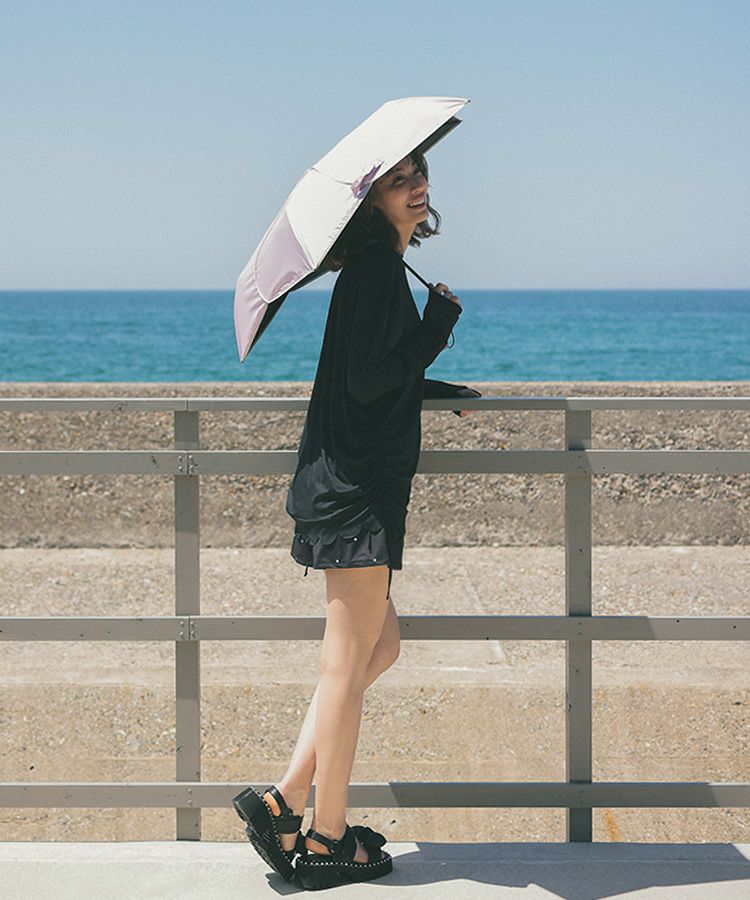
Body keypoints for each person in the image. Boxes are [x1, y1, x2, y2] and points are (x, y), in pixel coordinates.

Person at [232, 148, 480, 890]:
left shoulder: (376, 268)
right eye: (397, 180)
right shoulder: (376, 270)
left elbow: (367, 375)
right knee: (345, 668)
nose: (416, 186)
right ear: (370, 201)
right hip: (357, 494)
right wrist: (437, 325)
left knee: (381, 647)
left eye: (419, 172)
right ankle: (326, 837)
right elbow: (372, 378)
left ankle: (283, 800)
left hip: (354, 486)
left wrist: (433, 384)